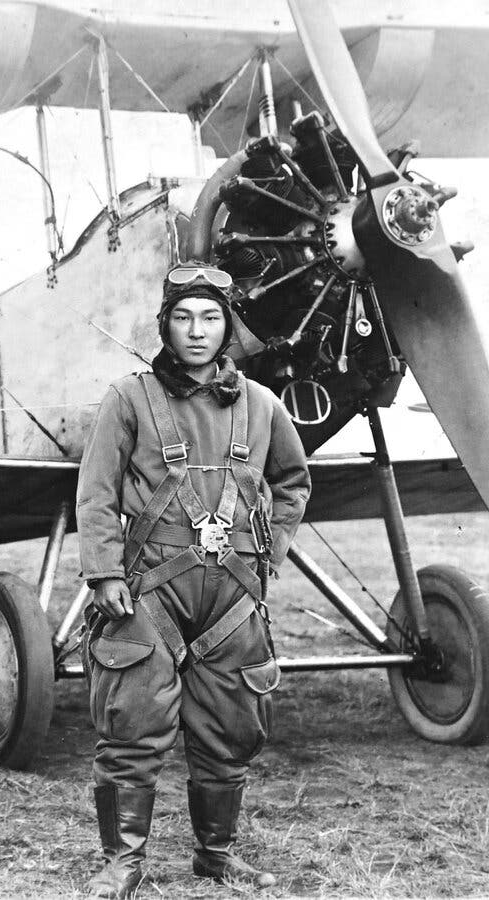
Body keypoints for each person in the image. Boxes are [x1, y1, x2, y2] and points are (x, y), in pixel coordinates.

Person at [76, 260, 311, 898]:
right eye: (183, 318)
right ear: (166, 326)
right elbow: (96, 491)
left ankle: (217, 855)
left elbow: (293, 482)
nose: (198, 331)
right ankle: (124, 862)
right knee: (131, 724)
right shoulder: (129, 399)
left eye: (211, 318)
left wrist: (271, 552)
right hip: (150, 590)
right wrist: (102, 571)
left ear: (227, 325)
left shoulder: (261, 406)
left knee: (231, 727)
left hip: (234, 594)